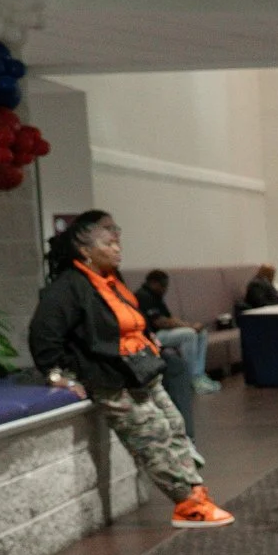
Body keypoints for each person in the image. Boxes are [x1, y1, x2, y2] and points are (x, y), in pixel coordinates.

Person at [29, 211, 233, 528]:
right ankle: (186, 504)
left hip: (140, 370)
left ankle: (195, 490)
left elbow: (131, 321)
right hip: (110, 378)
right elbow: (43, 335)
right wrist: (59, 375)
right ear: (85, 250)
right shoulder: (68, 287)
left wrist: (149, 339)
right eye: (109, 243)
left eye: (118, 242)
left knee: (174, 424)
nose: (117, 248)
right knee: (153, 435)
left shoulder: (113, 281)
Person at [135, 269, 220, 396]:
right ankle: (191, 378)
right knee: (189, 334)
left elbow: (169, 318)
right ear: (153, 283)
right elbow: (160, 322)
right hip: (152, 336)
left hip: (163, 332)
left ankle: (199, 374)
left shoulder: (156, 295)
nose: (165, 289)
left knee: (201, 333)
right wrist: (189, 327)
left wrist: (191, 326)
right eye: (163, 285)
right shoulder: (143, 296)